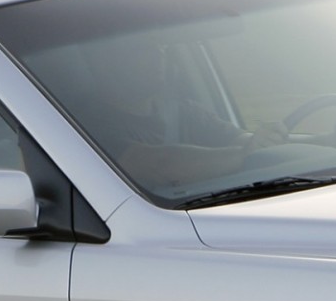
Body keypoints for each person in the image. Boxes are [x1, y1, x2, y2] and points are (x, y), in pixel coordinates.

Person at [76, 36, 282, 191]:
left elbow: (237, 138)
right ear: (105, 62)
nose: (159, 55)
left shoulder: (185, 110)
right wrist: (244, 154)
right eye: (143, 49)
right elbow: (161, 165)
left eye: (161, 47)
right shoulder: (85, 126)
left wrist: (264, 140)